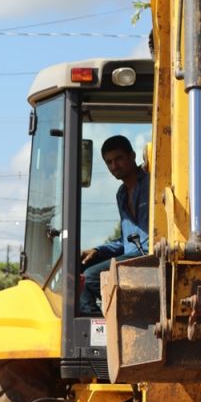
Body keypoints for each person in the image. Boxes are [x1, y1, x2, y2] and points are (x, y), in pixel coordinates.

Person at [78, 134, 152, 315]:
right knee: (78, 271)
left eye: (118, 159)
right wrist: (99, 250)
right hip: (131, 257)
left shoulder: (152, 184)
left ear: (132, 156)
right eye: (109, 162)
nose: (114, 166)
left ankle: (102, 328)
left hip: (151, 256)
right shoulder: (121, 194)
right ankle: (103, 322)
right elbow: (127, 239)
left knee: (90, 278)